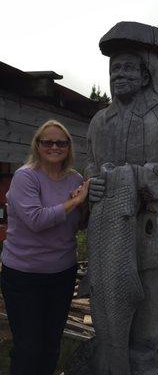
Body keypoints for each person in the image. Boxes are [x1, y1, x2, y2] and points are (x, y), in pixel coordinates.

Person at [86, 22, 158, 374]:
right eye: (113, 68)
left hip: (155, 231)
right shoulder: (100, 121)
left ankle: (155, 360)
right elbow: (90, 165)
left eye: (127, 67)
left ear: (147, 72)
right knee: (109, 307)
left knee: (152, 318)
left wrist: (140, 176)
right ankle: (113, 356)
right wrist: (96, 184)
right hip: (109, 233)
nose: (118, 74)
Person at [0, 119, 90, 375]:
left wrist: (83, 207)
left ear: (68, 147)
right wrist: (73, 203)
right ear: (37, 145)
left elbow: (79, 225)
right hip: (24, 277)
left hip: (61, 275)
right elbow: (36, 220)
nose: (54, 147)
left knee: (51, 344)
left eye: (61, 143)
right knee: (28, 347)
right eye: (47, 142)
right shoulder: (25, 177)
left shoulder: (75, 178)